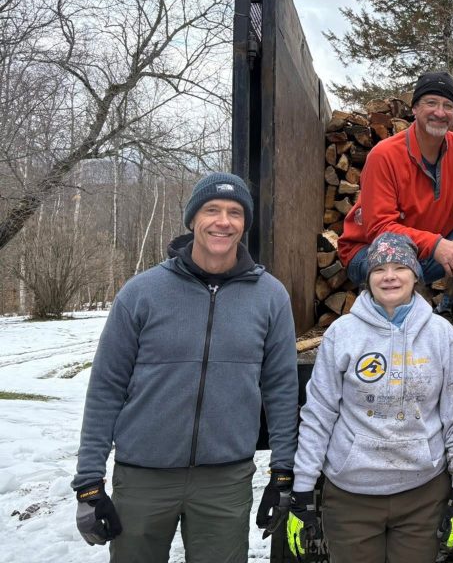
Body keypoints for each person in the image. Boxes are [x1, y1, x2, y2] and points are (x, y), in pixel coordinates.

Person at [72, 172, 298, 563]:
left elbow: (281, 388)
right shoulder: (141, 293)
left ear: (244, 224)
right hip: (144, 476)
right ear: (193, 219)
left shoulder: (270, 296)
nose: (223, 221)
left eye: (234, 212)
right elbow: (107, 387)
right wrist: (89, 482)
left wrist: (283, 471)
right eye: (211, 210)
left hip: (225, 480)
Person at [286, 232, 453, 562]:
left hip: (422, 493)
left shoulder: (441, 336)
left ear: (415, 275)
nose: (389, 276)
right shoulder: (341, 334)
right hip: (351, 496)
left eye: (399, 267)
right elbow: (318, 414)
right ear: (367, 280)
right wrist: (302, 489)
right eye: (379, 269)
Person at [337, 70, 453, 347]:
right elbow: (380, 229)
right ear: (415, 108)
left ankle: (451, 313)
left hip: (431, 248)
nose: (440, 112)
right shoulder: (384, 155)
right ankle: (383, 322)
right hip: (370, 252)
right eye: (431, 103)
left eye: (448, 106)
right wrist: (435, 244)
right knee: (403, 277)